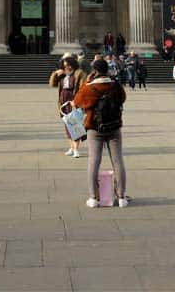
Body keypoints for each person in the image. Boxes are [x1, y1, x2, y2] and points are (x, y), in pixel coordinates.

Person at [72, 59, 129, 208]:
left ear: (95, 71)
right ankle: (121, 197)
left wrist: (87, 82)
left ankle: (94, 198)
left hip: (95, 128)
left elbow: (76, 101)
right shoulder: (115, 85)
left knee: (94, 161)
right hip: (114, 126)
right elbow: (123, 98)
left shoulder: (89, 88)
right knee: (118, 161)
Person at [51, 55, 86, 158]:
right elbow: (52, 84)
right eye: (65, 65)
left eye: (68, 65)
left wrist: (76, 101)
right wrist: (55, 74)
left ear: (73, 64)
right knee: (67, 126)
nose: (67, 67)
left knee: (75, 126)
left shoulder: (79, 73)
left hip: (74, 103)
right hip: (63, 103)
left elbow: (82, 89)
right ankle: (71, 147)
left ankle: (76, 150)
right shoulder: (62, 74)